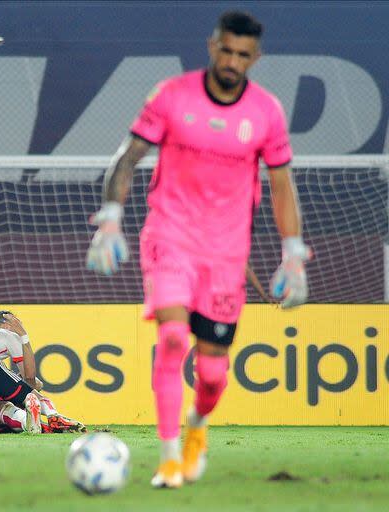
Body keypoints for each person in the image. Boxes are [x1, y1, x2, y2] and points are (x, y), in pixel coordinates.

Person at [86, 11, 310, 489]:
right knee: (171, 339)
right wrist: (109, 219)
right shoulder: (172, 96)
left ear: (256, 58)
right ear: (212, 46)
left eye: (243, 55)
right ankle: (168, 458)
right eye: (226, 50)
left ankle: (197, 428)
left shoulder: (266, 112)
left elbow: (282, 185)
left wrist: (292, 251)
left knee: (212, 372)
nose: (232, 61)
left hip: (226, 256)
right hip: (169, 237)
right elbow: (127, 159)